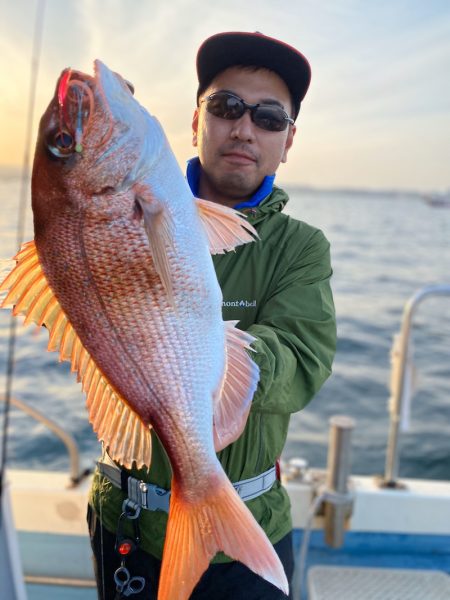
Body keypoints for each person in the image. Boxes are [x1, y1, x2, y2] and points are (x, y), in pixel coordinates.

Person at [88, 31, 336, 599]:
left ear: (288, 140)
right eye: (226, 107)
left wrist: (222, 363)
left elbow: (301, 362)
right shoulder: (119, 212)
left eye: (269, 118)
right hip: (125, 522)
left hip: (245, 531)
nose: (244, 129)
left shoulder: (300, 247)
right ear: (194, 119)